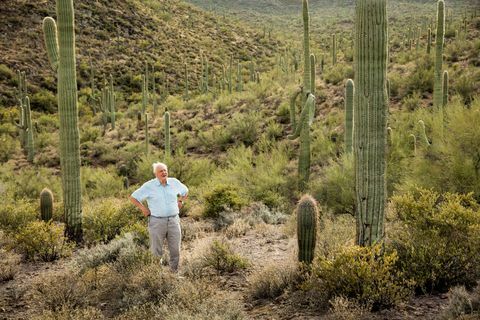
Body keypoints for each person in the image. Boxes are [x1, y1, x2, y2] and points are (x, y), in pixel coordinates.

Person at [129, 162, 188, 272]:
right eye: (161, 171)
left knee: (175, 249)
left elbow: (185, 191)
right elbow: (133, 197)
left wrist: (180, 201)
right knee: (156, 250)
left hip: (174, 220)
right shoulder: (149, 186)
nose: (164, 172)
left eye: (165, 170)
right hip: (157, 221)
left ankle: (173, 272)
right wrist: (143, 209)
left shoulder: (174, 182)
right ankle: (157, 275)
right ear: (155, 173)